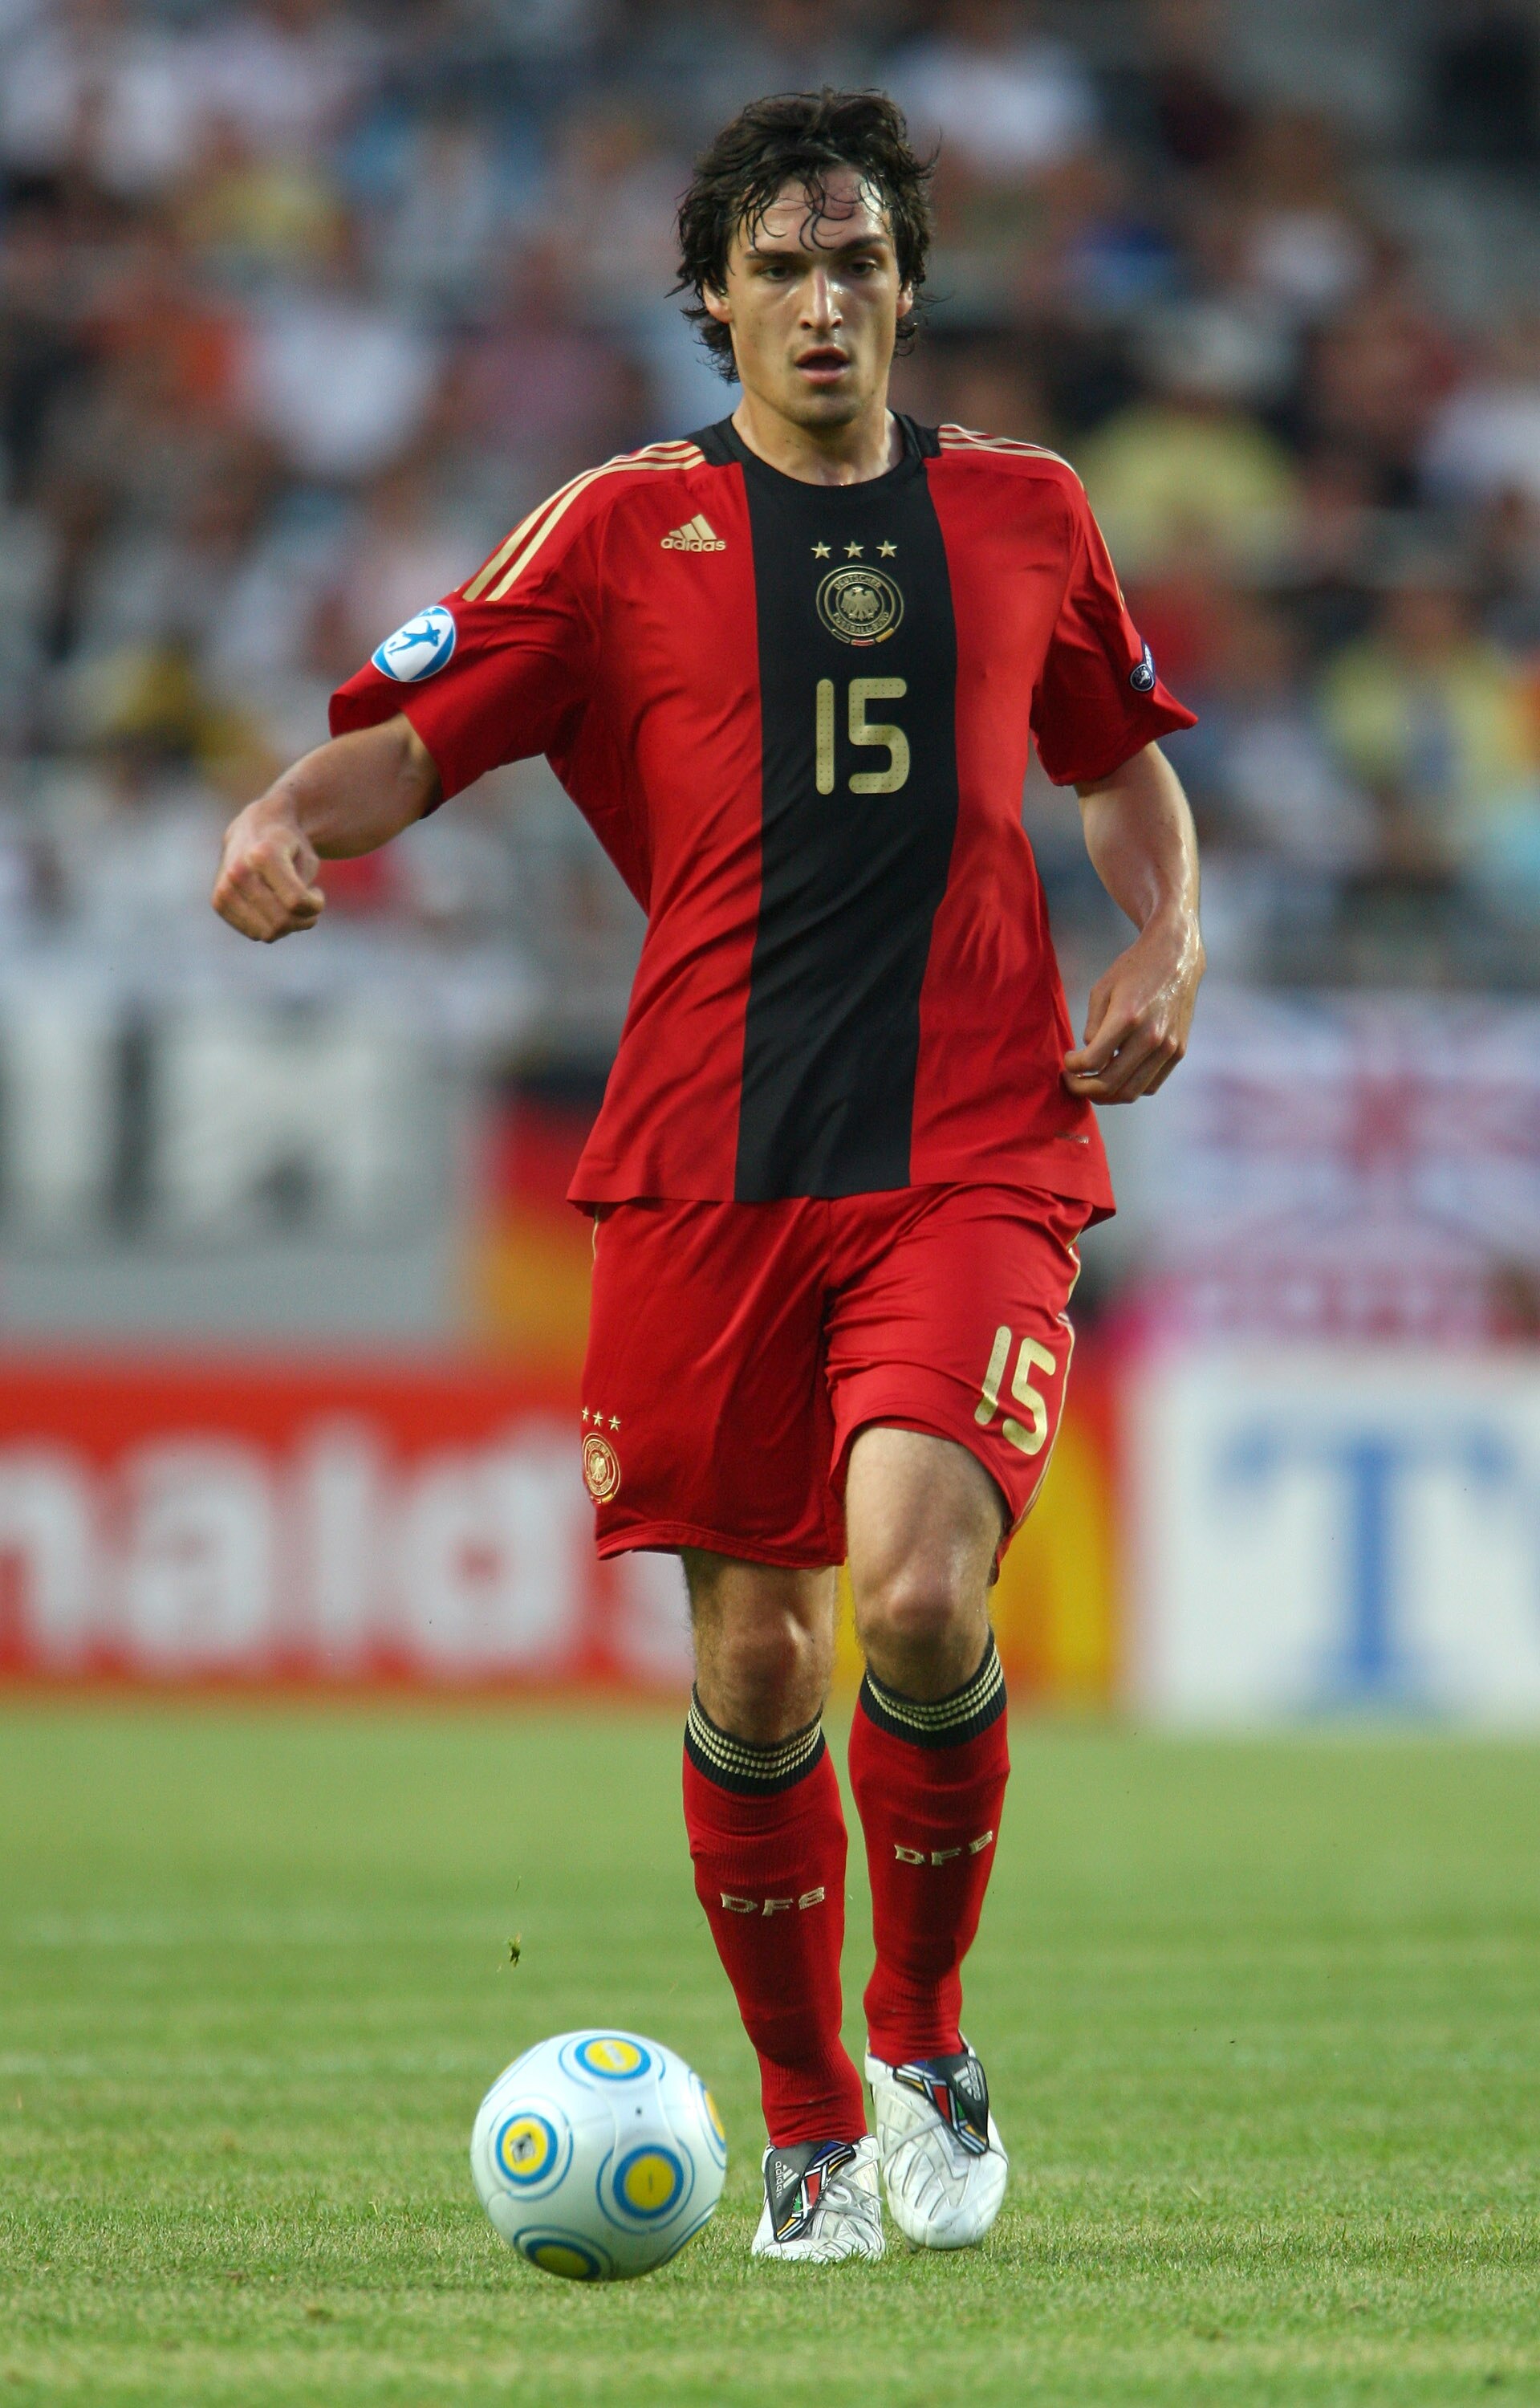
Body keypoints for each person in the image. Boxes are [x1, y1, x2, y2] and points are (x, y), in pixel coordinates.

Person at [211, 89, 1204, 2265]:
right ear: (716, 302)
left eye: (858, 263)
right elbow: (413, 737)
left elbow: (1116, 755)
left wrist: (1169, 931)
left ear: (911, 285)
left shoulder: (1030, 512)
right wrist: (287, 814)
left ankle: (922, 2034)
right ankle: (808, 2120)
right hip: (703, 1158)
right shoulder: (608, 531)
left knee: (928, 1594)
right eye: (780, 267)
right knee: (758, 1666)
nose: (824, 301)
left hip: (970, 1140)